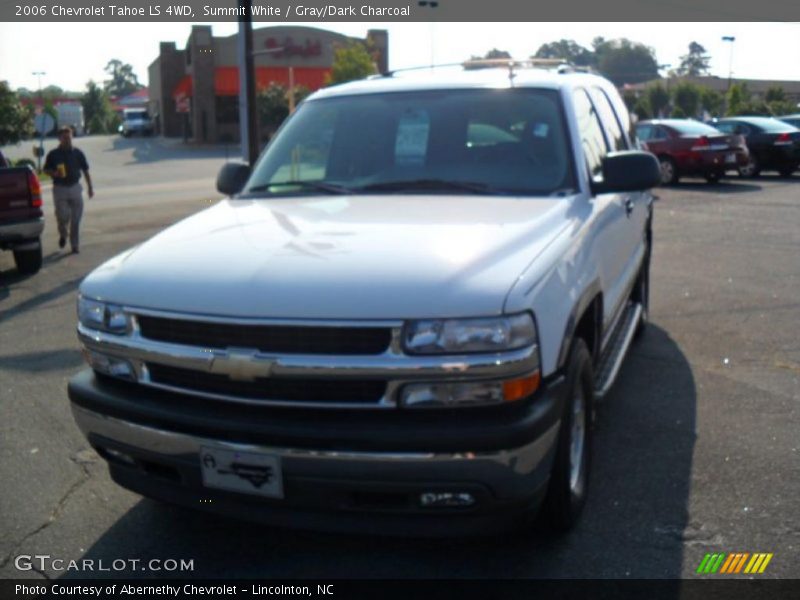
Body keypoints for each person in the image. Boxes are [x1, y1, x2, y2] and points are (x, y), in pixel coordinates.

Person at [43, 126, 94, 253]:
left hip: (75, 187)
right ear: (59, 139)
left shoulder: (78, 153)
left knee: (76, 219)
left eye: (69, 137)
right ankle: (63, 234)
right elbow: (45, 170)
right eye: (64, 138)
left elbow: (85, 170)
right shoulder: (53, 154)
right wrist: (54, 173)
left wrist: (90, 187)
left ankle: (75, 245)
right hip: (60, 188)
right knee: (62, 216)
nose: (67, 140)